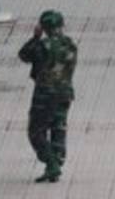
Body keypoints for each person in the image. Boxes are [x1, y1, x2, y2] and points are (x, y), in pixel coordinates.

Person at [19, 10, 77, 184]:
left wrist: (35, 37)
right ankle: (56, 164)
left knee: (36, 131)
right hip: (65, 92)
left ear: (43, 27)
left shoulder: (43, 46)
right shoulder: (70, 45)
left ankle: (51, 163)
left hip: (45, 94)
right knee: (58, 127)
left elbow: (24, 55)